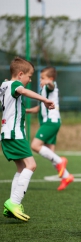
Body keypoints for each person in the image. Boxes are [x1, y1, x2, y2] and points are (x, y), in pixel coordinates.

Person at [1, 57, 55, 221]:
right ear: (20, 74)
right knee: (31, 165)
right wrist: (44, 99)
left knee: (21, 168)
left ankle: (12, 206)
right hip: (15, 134)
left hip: (6, 133)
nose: (30, 80)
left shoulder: (4, 85)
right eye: (29, 76)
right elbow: (23, 91)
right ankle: (14, 202)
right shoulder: (16, 85)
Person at [26, 66, 74, 191]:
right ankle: (66, 176)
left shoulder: (50, 86)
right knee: (49, 153)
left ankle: (61, 161)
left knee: (35, 146)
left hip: (50, 122)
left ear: (50, 79)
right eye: (40, 78)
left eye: (43, 78)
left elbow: (52, 85)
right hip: (50, 122)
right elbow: (40, 107)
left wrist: (49, 82)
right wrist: (28, 111)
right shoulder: (43, 90)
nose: (41, 80)